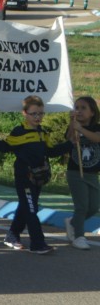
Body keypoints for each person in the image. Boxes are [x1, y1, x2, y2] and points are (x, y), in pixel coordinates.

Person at [0, 96, 70, 254]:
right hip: (24, 177)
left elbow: (51, 151)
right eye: (34, 114)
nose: (38, 117)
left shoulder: (42, 132)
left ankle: (12, 235)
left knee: (27, 207)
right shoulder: (19, 131)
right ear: (24, 113)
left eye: (40, 113)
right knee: (31, 210)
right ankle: (37, 243)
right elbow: (4, 147)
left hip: (38, 177)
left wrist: (70, 144)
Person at [63, 96, 100, 250]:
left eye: (83, 108)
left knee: (94, 206)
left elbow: (96, 138)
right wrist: (73, 125)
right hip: (75, 172)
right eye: (76, 107)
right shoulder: (73, 126)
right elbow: (69, 138)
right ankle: (79, 236)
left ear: (92, 112)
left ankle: (72, 222)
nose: (79, 110)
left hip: (92, 173)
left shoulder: (97, 128)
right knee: (82, 206)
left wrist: (81, 129)